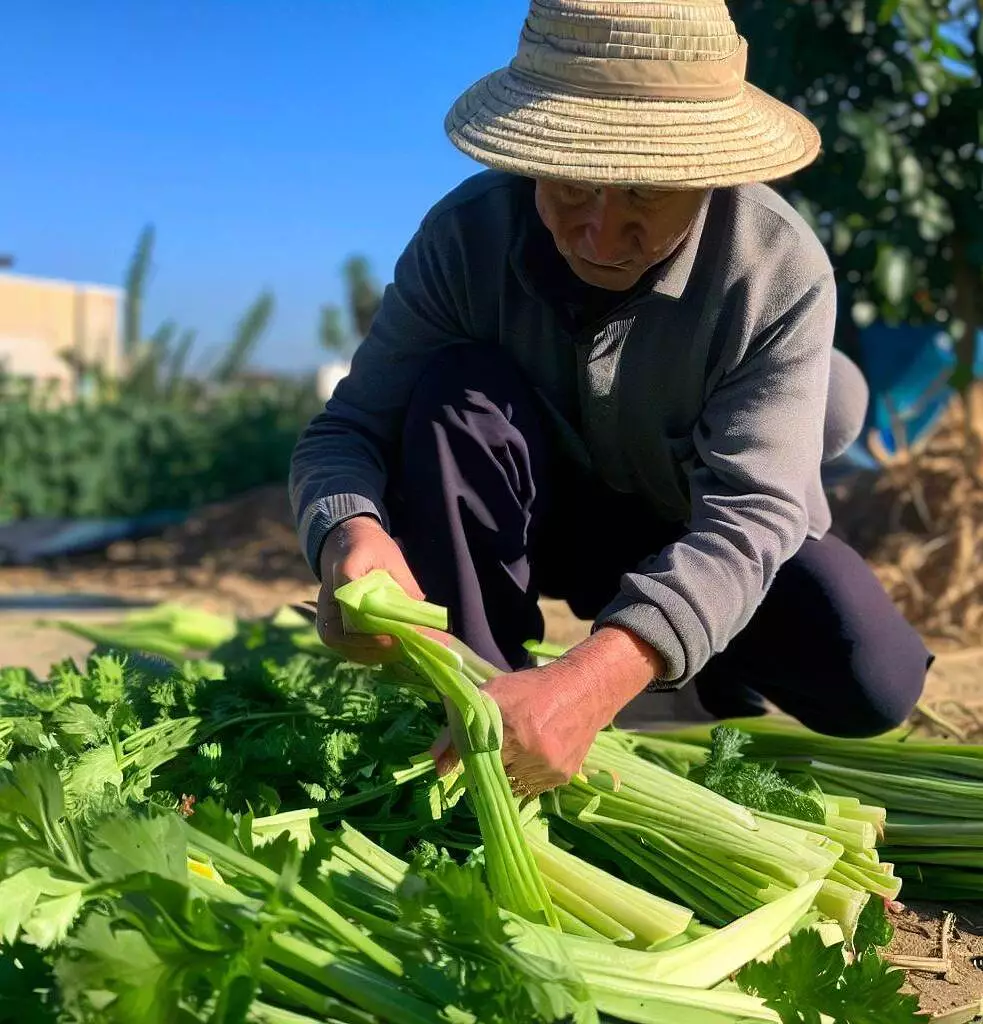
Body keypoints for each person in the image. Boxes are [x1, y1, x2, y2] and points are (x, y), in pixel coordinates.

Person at [290, 0, 931, 796]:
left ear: (704, 176)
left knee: (871, 676)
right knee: (457, 392)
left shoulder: (773, 271)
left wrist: (596, 677)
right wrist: (343, 531)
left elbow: (751, 515)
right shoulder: (465, 241)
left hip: (692, 520)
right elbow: (344, 431)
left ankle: (696, 670)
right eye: (570, 187)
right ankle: (481, 708)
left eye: (641, 196)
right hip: (532, 516)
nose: (598, 234)